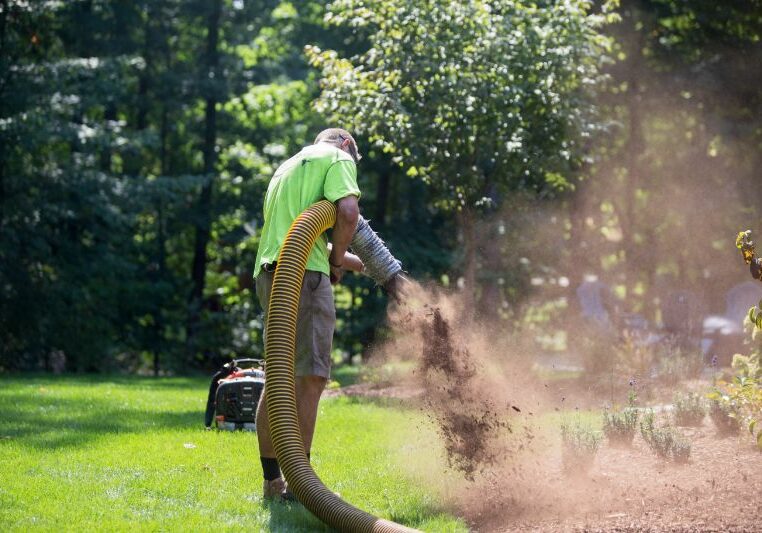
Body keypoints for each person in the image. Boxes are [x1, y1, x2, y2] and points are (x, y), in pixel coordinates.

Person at [253, 127, 364, 501]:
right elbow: (347, 212)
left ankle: (273, 481)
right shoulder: (337, 157)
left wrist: (347, 259)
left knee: (279, 378)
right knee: (311, 377)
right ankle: (302, 485)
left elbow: (300, 227)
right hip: (305, 274)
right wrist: (335, 261)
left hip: (270, 273)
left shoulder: (286, 167)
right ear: (346, 144)